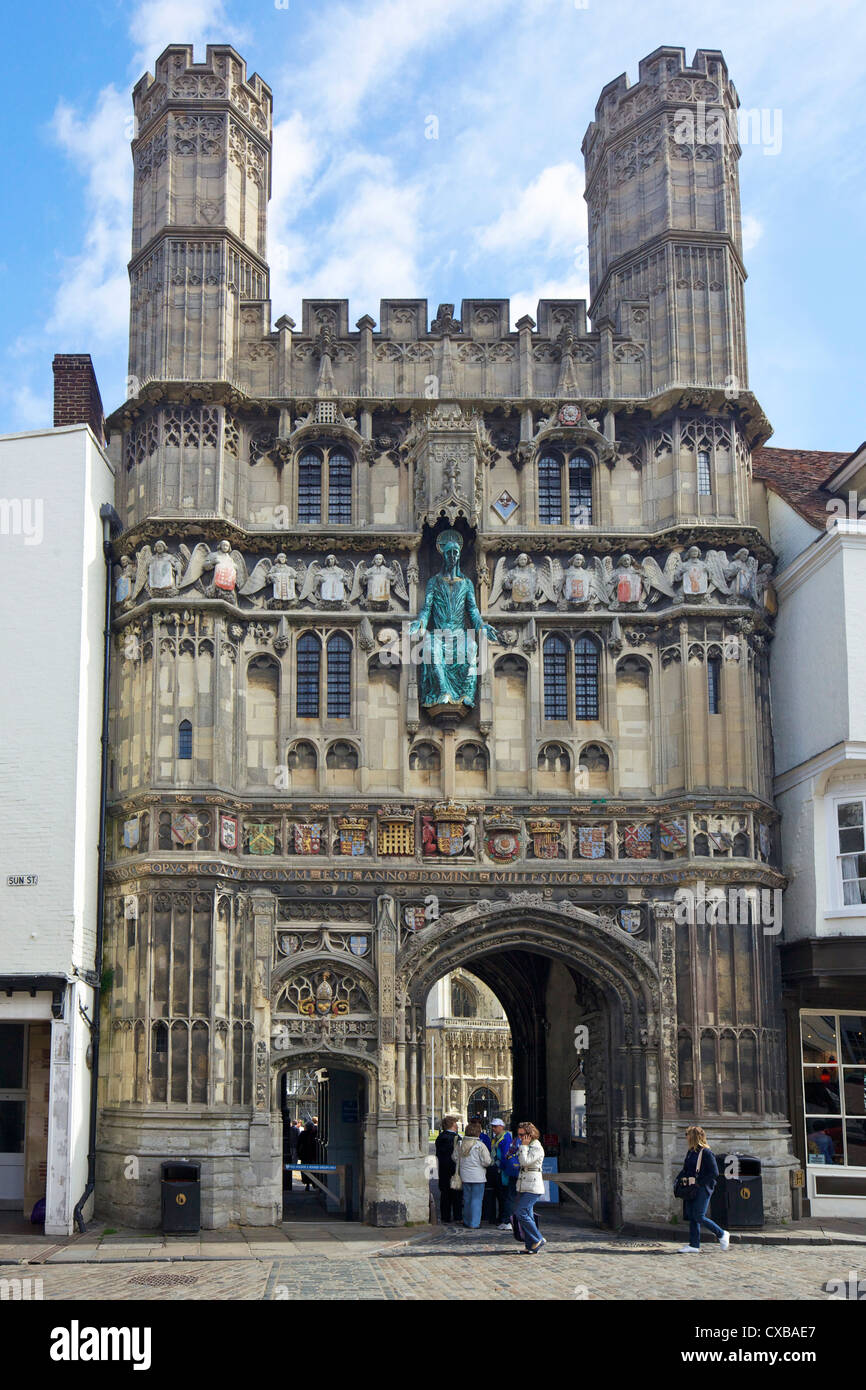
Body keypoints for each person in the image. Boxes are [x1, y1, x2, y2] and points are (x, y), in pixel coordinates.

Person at [674, 1124, 730, 1253]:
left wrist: (699, 1183)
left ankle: (721, 1234)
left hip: (702, 1189)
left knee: (699, 1215)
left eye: (687, 1134)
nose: (686, 1137)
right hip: (690, 1187)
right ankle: (694, 1245)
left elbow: (714, 1172)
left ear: (693, 1137)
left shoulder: (706, 1152)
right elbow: (686, 1169)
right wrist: (679, 1180)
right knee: (692, 1216)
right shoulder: (691, 1152)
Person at [513, 1122, 547, 1253]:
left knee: (520, 1212)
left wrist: (523, 1147)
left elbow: (525, 1161)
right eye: (519, 1135)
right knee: (528, 1214)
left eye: (522, 1135)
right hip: (524, 1184)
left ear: (529, 1134)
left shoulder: (536, 1147)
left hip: (533, 1186)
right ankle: (531, 1246)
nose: (520, 1137)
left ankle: (538, 1238)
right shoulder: (527, 1146)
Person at [456, 1120, 492, 1229]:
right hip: (478, 1176)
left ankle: (467, 1220)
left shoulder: (460, 1144)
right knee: (476, 1200)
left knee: (467, 1199)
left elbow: (455, 1157)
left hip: (465, 1175)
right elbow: (487, 1161)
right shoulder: (480, 1145)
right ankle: (474, 1223)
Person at [435, 1115, 463, 1225]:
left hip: (443, 1169)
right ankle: (457, 1216)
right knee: (456, 1194)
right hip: (454, 1169)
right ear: (452, 1125)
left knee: (445, 1194)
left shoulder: (440, 1138)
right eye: (455, 1124)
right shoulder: (456, 1139)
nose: (457, 1126)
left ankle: (445, 1216)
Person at [488, 1119, 515, 1230]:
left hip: (503, 1171)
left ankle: (506, 1219)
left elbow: (505, 1156)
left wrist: (501, 1167)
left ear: (501, 1127)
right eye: (492, 1126)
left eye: (495, 1126)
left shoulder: (505, 1138)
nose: (493, 1128)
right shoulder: (496, 1138)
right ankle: (501, 1217)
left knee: (505, 1195)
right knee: (500, 1194)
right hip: (497, 1170)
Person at [296, 1120, 318, 1193]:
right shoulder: (315, 1133)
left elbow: (298, 1144)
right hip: (313, 1155)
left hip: (304, 1155)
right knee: (314, 1169)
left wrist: (298, 1153)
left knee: (305, 1170)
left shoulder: (303, 1134)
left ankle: (307, 1184)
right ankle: (315, 1183)